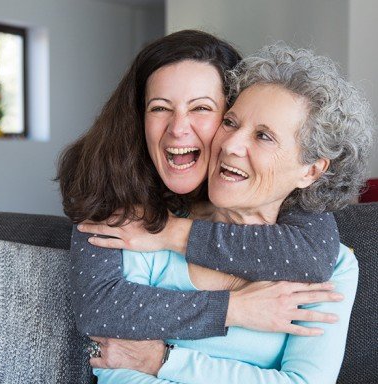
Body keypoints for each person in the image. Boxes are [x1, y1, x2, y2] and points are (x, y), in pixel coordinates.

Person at [88, 43, 373, 383]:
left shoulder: (332, 265)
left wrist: (165, 361)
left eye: (263, 136)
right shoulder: (148, 230)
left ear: (311, 170)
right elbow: (117, 367)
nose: (230, 144)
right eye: (230, 122)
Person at [57, 30, 341, 342]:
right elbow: (97, 309)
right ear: (138, 117)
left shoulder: (261, 184)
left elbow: (312, 255)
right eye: (160, 107)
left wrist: (170, 232)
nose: (178, 129)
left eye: (201, 108)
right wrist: (232, 309)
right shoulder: (109, 179)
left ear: (230, 115)